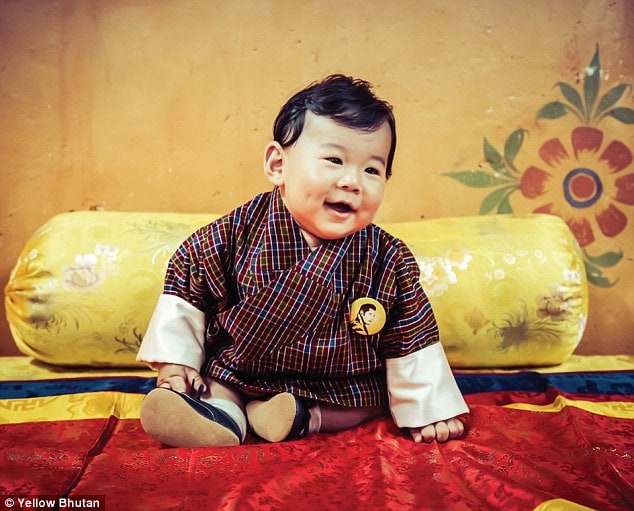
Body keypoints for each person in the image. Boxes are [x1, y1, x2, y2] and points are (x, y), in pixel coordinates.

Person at [136, 74, 469, 447]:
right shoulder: (232, 236)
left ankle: (301, 417)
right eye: (334, 160)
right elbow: (187, 289)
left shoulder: (387, 259)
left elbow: (412, 337)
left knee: (376, 399)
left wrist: (430, 409)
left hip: (339, 383)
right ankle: (223, 416)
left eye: (372, 169)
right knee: (215, 383)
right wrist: (176, 363)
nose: (352, 181)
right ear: (278, 164)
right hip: (239, 368)